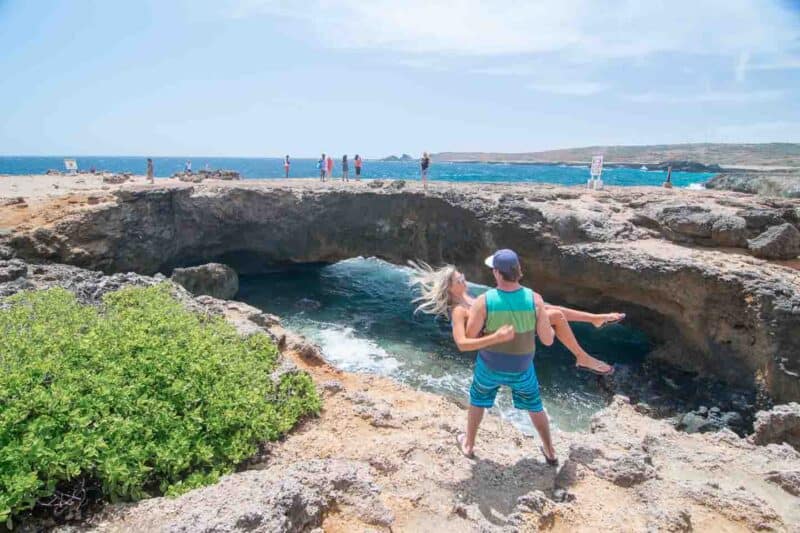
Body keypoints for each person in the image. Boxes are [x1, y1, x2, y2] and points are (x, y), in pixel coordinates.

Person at [409, 252, 623, 462]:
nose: (464, 278)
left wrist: (594, 316)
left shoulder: (478, 300)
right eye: (459, 279)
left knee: (553, 313)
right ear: (450, 287)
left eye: (462, 275)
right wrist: (496, 337)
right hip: (503, 357)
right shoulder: (460, 310)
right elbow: (463, 344)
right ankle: (537, 449)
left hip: (499, 356)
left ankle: (478, 445)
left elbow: (547, 308)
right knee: (493, 402)